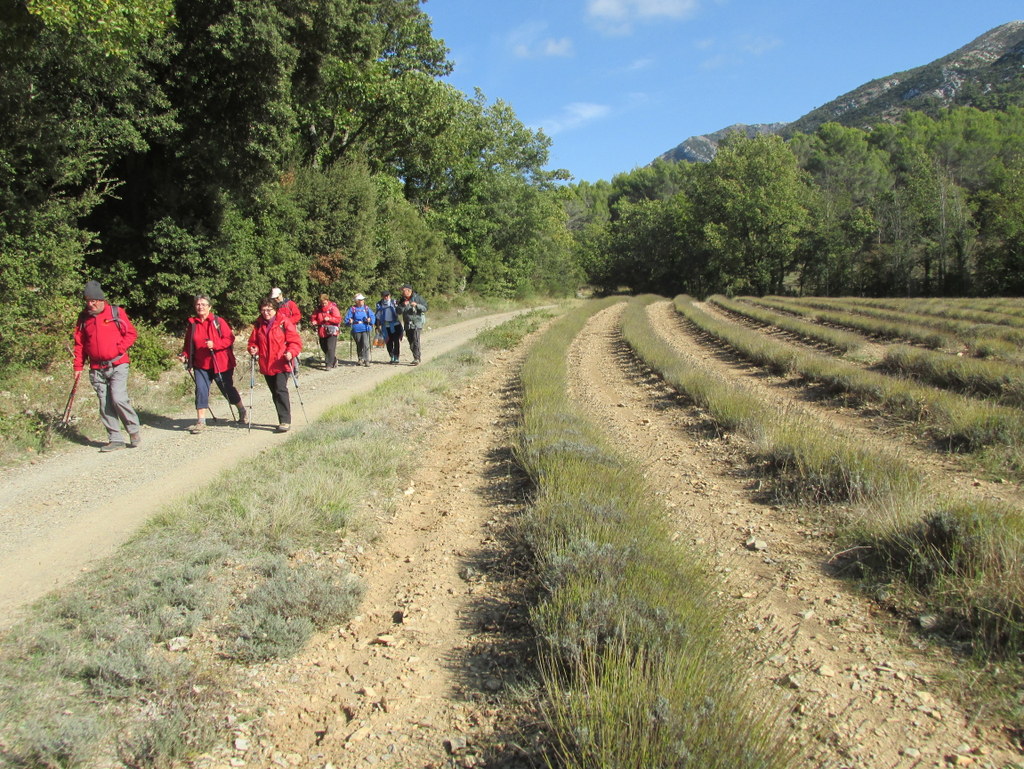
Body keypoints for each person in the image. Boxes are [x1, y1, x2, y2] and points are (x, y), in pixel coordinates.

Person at [72, 280, 142, 451]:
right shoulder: (84, 318)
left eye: (94, 300)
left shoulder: (115, 313)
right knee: (104, 404)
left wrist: (119, 348)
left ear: (101, 299)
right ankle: (115, 439)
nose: (91, 304)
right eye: (88, 300)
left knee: (118, 398)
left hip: (118, 364)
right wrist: (78, 367)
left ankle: (133, 430)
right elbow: (79, 344)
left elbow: (131, 333)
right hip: (96, 368)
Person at [179, 294, 246, 433]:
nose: (200, 307)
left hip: (221, 363)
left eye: (203, 304)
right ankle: (201, 422)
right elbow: (188, 344)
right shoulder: (193, 324)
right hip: (201, 364)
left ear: (210, 307)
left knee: (227, 390)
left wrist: (215, 344)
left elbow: (229, 339)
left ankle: (241, 409)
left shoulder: (218, 321)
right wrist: (185, 355)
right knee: (201, 390)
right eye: (198, 304)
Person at [248, 296, 302, 433]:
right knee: (274, 392)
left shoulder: (284, 322)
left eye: (269, 310)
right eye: (263, 310)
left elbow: (295, 342)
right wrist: (253, 348)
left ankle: (285, 420)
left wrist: (291, 352)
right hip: (266, 364)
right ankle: (282, 418)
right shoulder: (258, 324)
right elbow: (253, 342)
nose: (266, 313)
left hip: (281, 362)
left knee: (280, 390)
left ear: (275, 309)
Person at [397, 284, 427, 365]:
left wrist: (417, 305)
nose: (402, 292)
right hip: (407, 324)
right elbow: (398, 311)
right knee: (411, 342)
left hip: (417, 323)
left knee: (416, 339)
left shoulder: (418, 298)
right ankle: (416, 356)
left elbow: (425, 308)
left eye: (403, 291)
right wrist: (403, 305)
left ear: (409, 291)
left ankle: (417, 358)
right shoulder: (402, 300)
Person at [310, 293, 342, 369]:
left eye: (324, 303)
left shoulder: (333, 308)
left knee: (330, 347)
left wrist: (330, 319)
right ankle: (333, 360)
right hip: (321, 331)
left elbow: (338, 319)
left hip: (332, 331)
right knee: (324, 347)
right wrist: (313, 321)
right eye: (321, 303)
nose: (323, 304)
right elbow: (313, 317)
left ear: (327, 300)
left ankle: (329, 364)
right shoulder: (318, 309)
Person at [344, 293, 375, 367]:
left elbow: (372, 316)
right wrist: (349, 321)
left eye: (362, 300)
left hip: (366, 327)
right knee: (359, 344)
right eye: (360, 300)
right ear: (356, 301)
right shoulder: (352, 309)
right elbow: (347, 319)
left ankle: (367, 360)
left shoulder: (366, 308)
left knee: (366, 344)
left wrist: (370, 320)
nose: (362, 301)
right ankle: (360, 358)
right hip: (356, 328)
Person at [375, 290, 403, 364]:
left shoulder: (394, 302)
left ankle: (396, 357)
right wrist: (378, 326)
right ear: (382, 297)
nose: (387, 297)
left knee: (396, 341)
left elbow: (400, 311)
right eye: (385, 296)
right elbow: (377, 317)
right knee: (388, 342)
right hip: (385, 326)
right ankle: (391, 356)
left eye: (388, 295)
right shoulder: (379, 305)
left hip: (396, 325)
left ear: (390, 295)